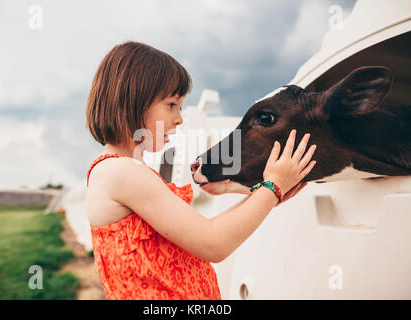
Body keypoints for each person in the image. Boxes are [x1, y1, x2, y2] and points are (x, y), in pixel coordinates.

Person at [85, 41, 317, 300]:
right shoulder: (122, 173)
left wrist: (265, 196)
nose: (180, 118)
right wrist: (272, 188)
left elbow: (205, 230)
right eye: (172, 104)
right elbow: (213, 243)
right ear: (133, 100)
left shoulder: (121, 172)